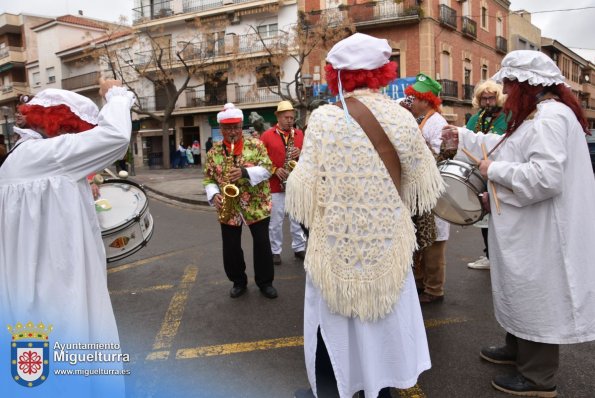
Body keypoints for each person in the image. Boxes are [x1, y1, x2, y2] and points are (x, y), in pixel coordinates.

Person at [286, 33, 444, 398]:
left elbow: (302, 191)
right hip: (388, 240)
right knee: (384, 326)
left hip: (337, 244)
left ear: (337, 74)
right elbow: (419, 186)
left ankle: (335, 388)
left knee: (335, 327)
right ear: (381, 72)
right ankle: (380, 389)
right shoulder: (404, 119)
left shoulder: (324, 119)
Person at [443, 50, 595, 397]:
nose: (506, 93)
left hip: (546, 233)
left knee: (539, 294)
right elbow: (504, 147)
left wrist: (491, 171)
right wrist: (461, 136)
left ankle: (539, 377)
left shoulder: (549, 118)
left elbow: (546, 177)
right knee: (521, 290)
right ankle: (518, 349)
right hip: (529, 227)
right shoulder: (535, 115)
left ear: (527, 85)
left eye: (510, 85)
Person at [0, 80, 134, 397]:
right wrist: (115, 94)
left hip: (23, 285)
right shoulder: (51, 155)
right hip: (57, 284)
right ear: (60, 124)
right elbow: (115, 137)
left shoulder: (13, 163)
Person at [203, 103, 278, 299]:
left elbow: (268, 168)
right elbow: (209, 178)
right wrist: (213, 195)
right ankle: (238, 281)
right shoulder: (214, 152)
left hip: (256, 203)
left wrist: (245, 172)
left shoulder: (256, 145)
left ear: (241, 125)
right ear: (221, 129)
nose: (232, 132)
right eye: (228, 128)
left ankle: (265, 282)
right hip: (229, 206)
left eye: (236, 127)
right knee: (231, 247)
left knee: (262, 243)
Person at [405, 73, 451, 304]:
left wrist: (419, 146)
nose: (411, 102)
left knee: (434, 242)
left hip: (432, 193)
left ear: (426, 99)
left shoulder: (438, 122)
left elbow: (442, 157)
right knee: (421, 239)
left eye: (415, 97)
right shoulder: (423, 119)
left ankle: (434, 289)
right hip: (419, 193)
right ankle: (421, 283)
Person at [460, 80, 507, 270]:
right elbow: (466, 139)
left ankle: (500, 257)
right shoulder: (476, 118)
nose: (488, 102)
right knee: (484, 219)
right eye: (484, 98)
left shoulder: (507, 115)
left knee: (501, 216)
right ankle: (489, 255)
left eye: (491, 97)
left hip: (500, 173)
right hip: (481, 175)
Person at [260, 100, 307, 265]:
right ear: (278, 117)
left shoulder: (300, 134)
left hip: (295, 184)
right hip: (275, 185)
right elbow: (259, 159)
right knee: (275, 221)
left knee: (297, 219)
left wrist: (300, 152)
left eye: (292, 117)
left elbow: (310, 157)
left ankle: (299, 248)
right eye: (286, 117)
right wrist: (274, 170)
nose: (289, 120)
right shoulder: (266, 135)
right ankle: (275, 251)